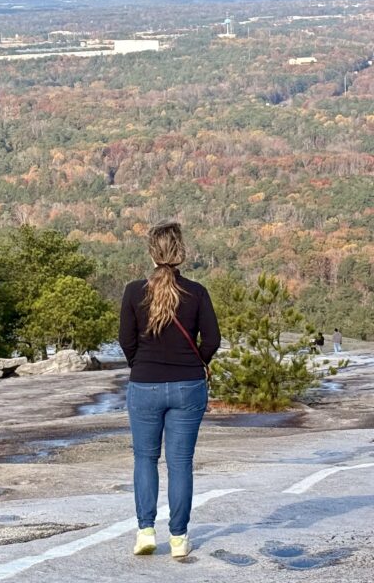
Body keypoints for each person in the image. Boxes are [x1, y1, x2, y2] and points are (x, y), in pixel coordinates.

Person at [119, 220, 221, 561]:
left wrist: (141, 365)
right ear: (181, 252)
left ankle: (145, 532)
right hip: (188, 386)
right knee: (180, 463)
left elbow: (126, 340)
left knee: (145, 459)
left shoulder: (134, 291)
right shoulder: (197, 292)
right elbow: (213, 340)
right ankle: (178, 538)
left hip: (144, 385)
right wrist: (195, 363)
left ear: (152, 252)